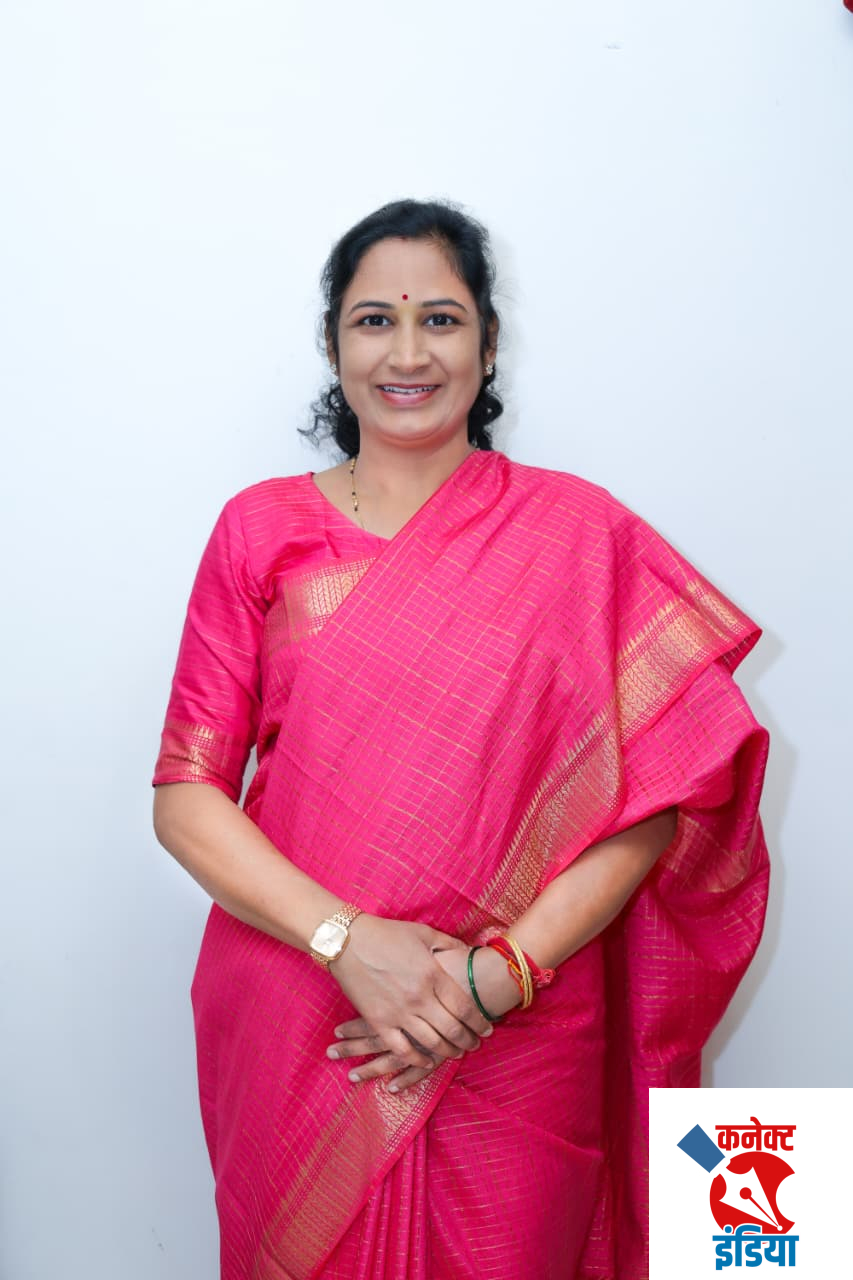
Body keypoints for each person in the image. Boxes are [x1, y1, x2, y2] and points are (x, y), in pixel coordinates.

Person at [152, 199, 769, 1280]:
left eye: (439, 319)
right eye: (373, 320)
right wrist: (351, 943)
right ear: (333, 346)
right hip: (307, 1008)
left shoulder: (577, 532)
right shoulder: (260, 528)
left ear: (486, 345)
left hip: (519, 1021)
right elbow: (185, 796)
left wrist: (499, 976)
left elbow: (665, 792)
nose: (407, 353)